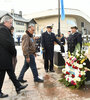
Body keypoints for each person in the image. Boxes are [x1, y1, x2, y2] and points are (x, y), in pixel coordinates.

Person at [0, 16, 28, 98]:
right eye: (10, 23)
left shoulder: (4, 29)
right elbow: (7, 43)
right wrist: (14, 52)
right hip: (3, 57)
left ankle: (18, 86)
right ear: (5, 22)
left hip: (5, 57)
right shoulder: (2, 29)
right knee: (1, 75)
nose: (11, 25)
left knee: (11, 72)